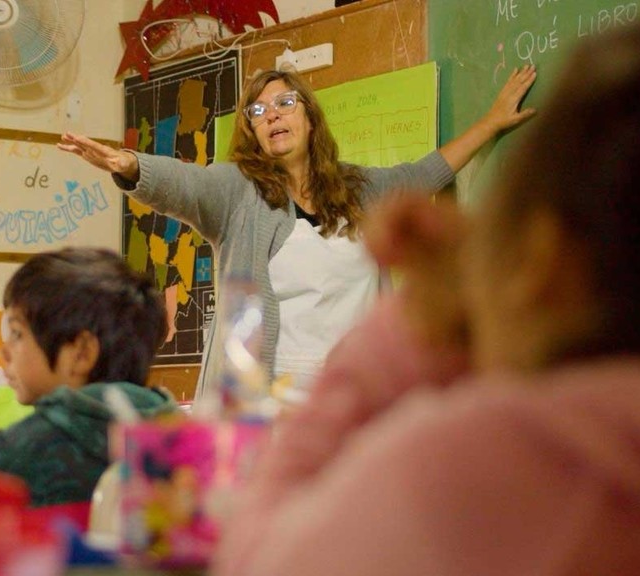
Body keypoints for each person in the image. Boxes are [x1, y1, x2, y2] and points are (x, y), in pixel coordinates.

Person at [211, 14, 640, 576]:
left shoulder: (483, 456)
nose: (272, 115)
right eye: (260, 108)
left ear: (540, 263)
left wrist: (401, 338)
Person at [59, 66, 536, 394]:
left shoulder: (359, 190)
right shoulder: (237, 193)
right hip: (272, 399)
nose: (273, 116)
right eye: (259, 112)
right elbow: (186, 184)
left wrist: (491, 123)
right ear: (253, 132)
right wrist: (130, 166)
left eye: (284, 103)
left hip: (360, 392)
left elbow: (424, 174)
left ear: (309, 117)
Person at [0, 247, 177, 507]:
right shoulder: (177, 433)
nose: (4, 351)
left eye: (17, 333)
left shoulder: (39, 442)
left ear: (81, 354)